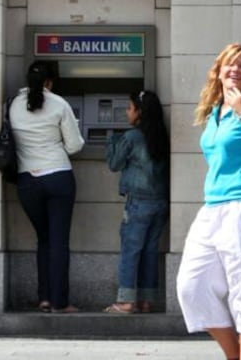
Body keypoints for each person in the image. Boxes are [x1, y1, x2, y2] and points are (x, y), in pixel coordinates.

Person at [176, 44, 241, 360]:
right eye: (230, 65)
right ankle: (234, 354)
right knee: (191, 286)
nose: (236, 70)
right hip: (214, 207)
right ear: (218, 70)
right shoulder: (213, 111)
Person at [10, 60, 85, 313]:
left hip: (27, 181)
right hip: (58, 178)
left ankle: (43, 298)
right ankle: (60, 302)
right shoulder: (59, 104)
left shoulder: (13, 105)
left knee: (44, 240)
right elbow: (75, 145)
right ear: (49, 82)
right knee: (59, 241)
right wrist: (54, 150)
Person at [103, 90, 170, 314]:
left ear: (139, 112)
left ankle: (126, 301)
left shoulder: (131, 137)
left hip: (139, 203)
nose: (126, 112)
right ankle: (146, 300)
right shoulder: (161, 136)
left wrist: (111, 140)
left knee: (131, 250)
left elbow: (114, 164)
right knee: (150, 251)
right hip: (160, 203)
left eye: (129, 108)